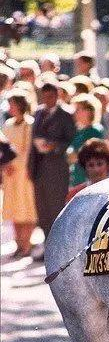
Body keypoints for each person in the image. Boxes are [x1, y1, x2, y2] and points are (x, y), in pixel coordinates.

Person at [29, 80, 76, 252]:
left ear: (57, 95)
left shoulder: (66, 115)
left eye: (50, 96)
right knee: (42, 210)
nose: (47, 100)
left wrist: (54, 146)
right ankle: (47, 244)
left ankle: (57, 247)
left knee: (56, 207)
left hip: (57, 169)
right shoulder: (38, 113)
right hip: (39, 168)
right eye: (44, 96)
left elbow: (71, 139)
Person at [2, 90, 37, 258]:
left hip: (24, 173)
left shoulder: (30, 124)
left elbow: (29, 150)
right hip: (9, 173)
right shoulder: (8, 124)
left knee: (26, 207)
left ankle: (26, 244)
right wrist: (5, 165)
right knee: (13, 208)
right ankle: (18, 243)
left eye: (12, 104)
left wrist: (16, 165)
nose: (10, 108)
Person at [68, 93, 104, 187]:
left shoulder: (95, 131)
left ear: (88, 111)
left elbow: (90, 156)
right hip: (76, 177)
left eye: (78, 109)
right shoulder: (78, 130)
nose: (75, 113)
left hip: (89, 179)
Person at [66, 138, 109, 202]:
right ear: (85, 167)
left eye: (100, 164)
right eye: (91, 165)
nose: (96, 169)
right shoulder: (75, 195)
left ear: (108, 165)